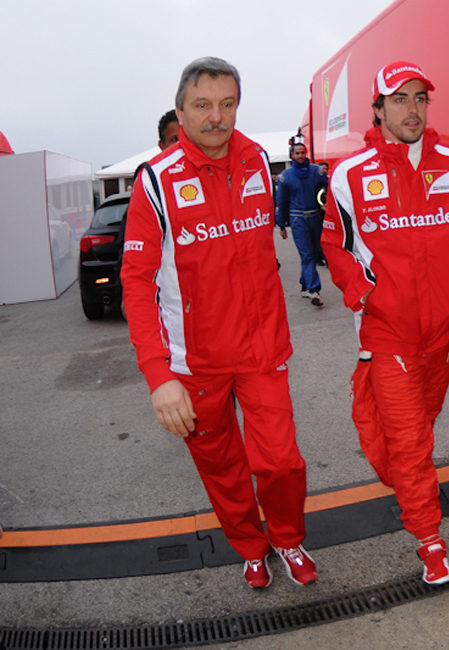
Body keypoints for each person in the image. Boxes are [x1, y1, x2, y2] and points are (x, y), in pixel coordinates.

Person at [121, 56, 317, 589]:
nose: (216, 117)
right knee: (224, 469)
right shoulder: (156, 183)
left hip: (262, 351)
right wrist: (159, 376)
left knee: (280, 463)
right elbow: (136, 285)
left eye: (227, 104)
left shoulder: (258, 161)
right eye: (203, 105)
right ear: (180, 111)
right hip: (194, 364)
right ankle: (250, 547)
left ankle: (288, 537)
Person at [322, 60, 449, 585]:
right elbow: (336, 245)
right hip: (386, 334)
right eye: (400, 99)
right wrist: (364, 292)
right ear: (379, 108)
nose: (412, 109)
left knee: (419, 431)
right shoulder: (350, 173)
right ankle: (429, 538)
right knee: (410, 440)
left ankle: (412, 487)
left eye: (420, 98)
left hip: (442, 334)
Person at [276, 142, 326, 306]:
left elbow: (327, 189)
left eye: (302, 152)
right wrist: (281, 225)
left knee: (314, 252)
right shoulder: (286, 176)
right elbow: (281, 202)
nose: (300, 156)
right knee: (307, 255)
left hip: (315, 218)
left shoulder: (316, 172)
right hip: (298, 220)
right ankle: (314, 290)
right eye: (297, 153)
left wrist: (325, 203)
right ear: (292, 155)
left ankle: (305, 285)